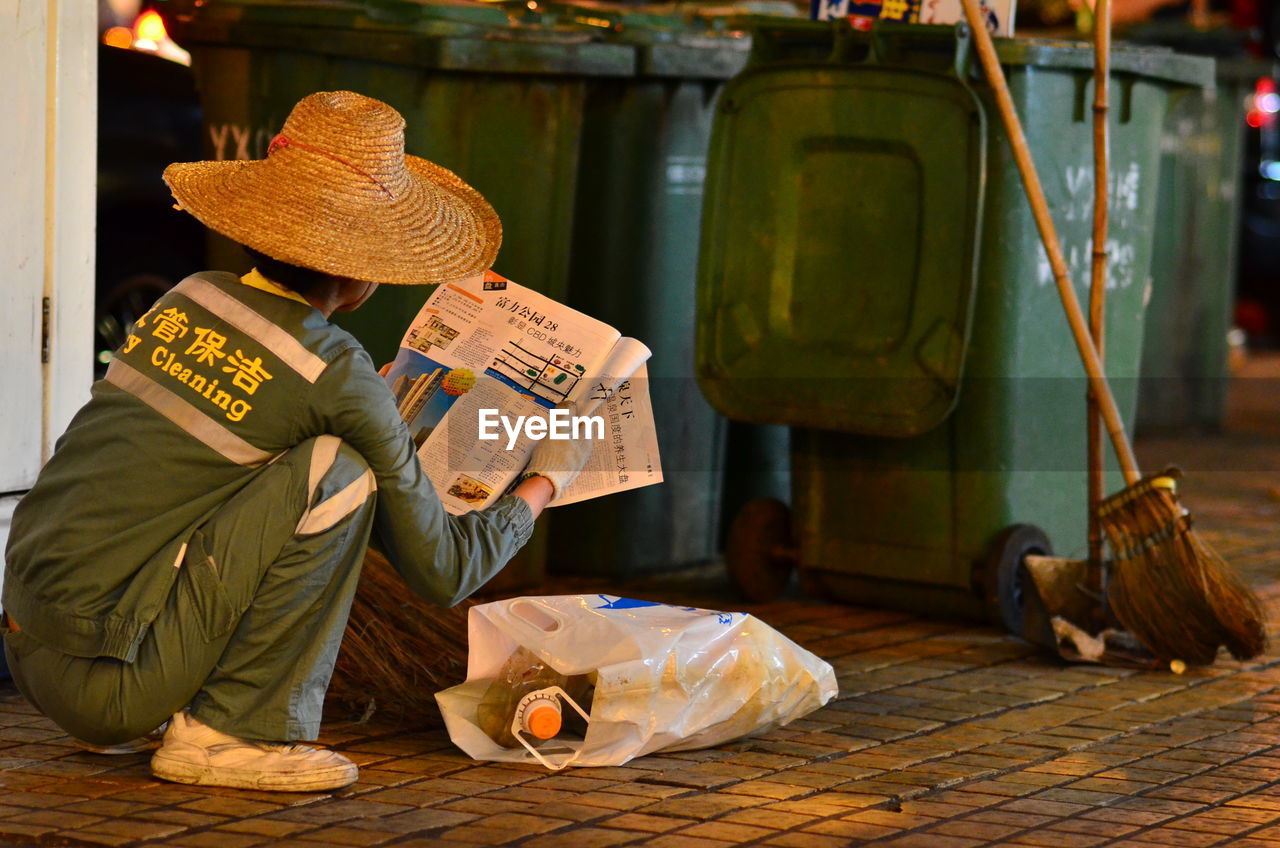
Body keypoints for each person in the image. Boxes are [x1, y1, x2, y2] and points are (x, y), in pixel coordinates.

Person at [1, 91, 594, 792]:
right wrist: (547, 477)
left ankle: (175, 709)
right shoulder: (333, 370)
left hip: (28, 646)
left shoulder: (190, 296)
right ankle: (228, 738)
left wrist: (366, 403)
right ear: (358, 271)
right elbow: (444, 569)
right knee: (339, 476)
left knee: (312, 465)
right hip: (110, 682)